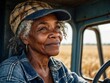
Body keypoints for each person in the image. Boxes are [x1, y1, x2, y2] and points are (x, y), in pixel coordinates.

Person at [0, 0, 87, 83]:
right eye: (43, 28)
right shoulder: (11, 71)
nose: (56, 34)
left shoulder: (58, 67)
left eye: (57, 27)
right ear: (24, 37)